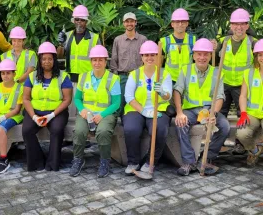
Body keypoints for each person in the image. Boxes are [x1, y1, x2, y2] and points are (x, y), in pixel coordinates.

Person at [174, 38, 230, 176]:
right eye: (199, 54)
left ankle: (206, 159)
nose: (202, 57)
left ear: (211, 56)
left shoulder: (217, 73)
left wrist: (213, 113)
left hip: (208, 110)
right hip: (190, 110)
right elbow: (177, 91)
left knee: (225, 127)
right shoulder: (185, 70)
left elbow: (219, 97)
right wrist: (180, 112)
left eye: (206, 54)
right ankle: (189, 162)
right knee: (181, 124)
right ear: (194, 56)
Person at [123, 41, 172, 179]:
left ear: (158, 57)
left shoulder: (164, 74)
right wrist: (143, 111)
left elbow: (168, 96)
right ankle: (133, 162)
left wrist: (162, 92)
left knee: (159, 129)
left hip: (158, 109)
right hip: (136, 109)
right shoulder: (134, 74)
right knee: (131, 129)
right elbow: (129, 97)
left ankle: (151, 163)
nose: (150, 58)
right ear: (142, 57)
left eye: (153, 55)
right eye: (146, 55)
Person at [70, 45, 121, 178]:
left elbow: (116, 103)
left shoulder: (113, 79)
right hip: (86, 114)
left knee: (103, 131)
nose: (97, 63)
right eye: (94, 60)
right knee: (79, 131)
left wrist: (102, 115)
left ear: (105, 62)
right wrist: (83, 110)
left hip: (106, 114)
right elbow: (77, 98)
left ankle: (105, 162)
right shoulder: (83, 76)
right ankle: (78, 159)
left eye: (100, 60)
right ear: (91, 61)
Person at [22, 42, 72, 171]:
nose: (47, 62)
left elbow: (67, 99)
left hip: (56, 113)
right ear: (39, 60)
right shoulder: (32, 76)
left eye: (50, 59)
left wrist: (51, 115)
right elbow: (26, 99)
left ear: (54, 60)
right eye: (44, 59)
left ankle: (52, 163)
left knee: (56, 130)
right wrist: (33, 117)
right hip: (35, 112)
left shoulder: (63, 77)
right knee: (27, 130)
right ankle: (37, 161)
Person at [213, 8, 256, 154]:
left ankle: (240, 145)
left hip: (243, 86)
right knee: (220, 114)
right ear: (230, 26)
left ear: (247, 26)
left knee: (242, 114)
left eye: (242, 24)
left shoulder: (253, 43)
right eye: (236, 24)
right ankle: (217, 144)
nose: (239, 27)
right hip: (224, 84)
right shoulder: (223, 42)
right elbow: (215, 63)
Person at [110, 12, 147, 116]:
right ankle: (118, 125)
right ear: (123, 23)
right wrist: (115, 76)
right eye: (127, 21)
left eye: (131, 21)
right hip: (122, 76)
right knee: (120, 102)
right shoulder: (118, 40)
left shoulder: (143, 40)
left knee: (137, 101)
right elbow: (114, 58)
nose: (129, 23)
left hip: (138, 77)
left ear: (135, 22)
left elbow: (146, 58)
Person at [236, 39, 263, 166]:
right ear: (256, 56)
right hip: (252, 113)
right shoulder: (249, 73)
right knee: (241, 133)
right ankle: (254, 150)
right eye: (260, 54)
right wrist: (243, 113)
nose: (262, 57)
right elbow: (243, 95)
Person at [57, 5, 101, 83]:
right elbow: (59, 57)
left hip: (88, 78)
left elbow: (101, 59)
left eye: (82, 20)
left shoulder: (94, 38)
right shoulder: (67, 36)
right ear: (74, 21)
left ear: (86, 22)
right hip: (70, 78)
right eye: (77, 19)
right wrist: (61, 44)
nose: (79, 22)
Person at [160, 8, 197, 83]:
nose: (180, 24)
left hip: (187, 80)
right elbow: (158, 64)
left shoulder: (193, 41)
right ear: (172, 24)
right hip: (170, 81)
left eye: (183, 22)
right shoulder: (164, 42)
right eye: (177, 22)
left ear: (187, 23)